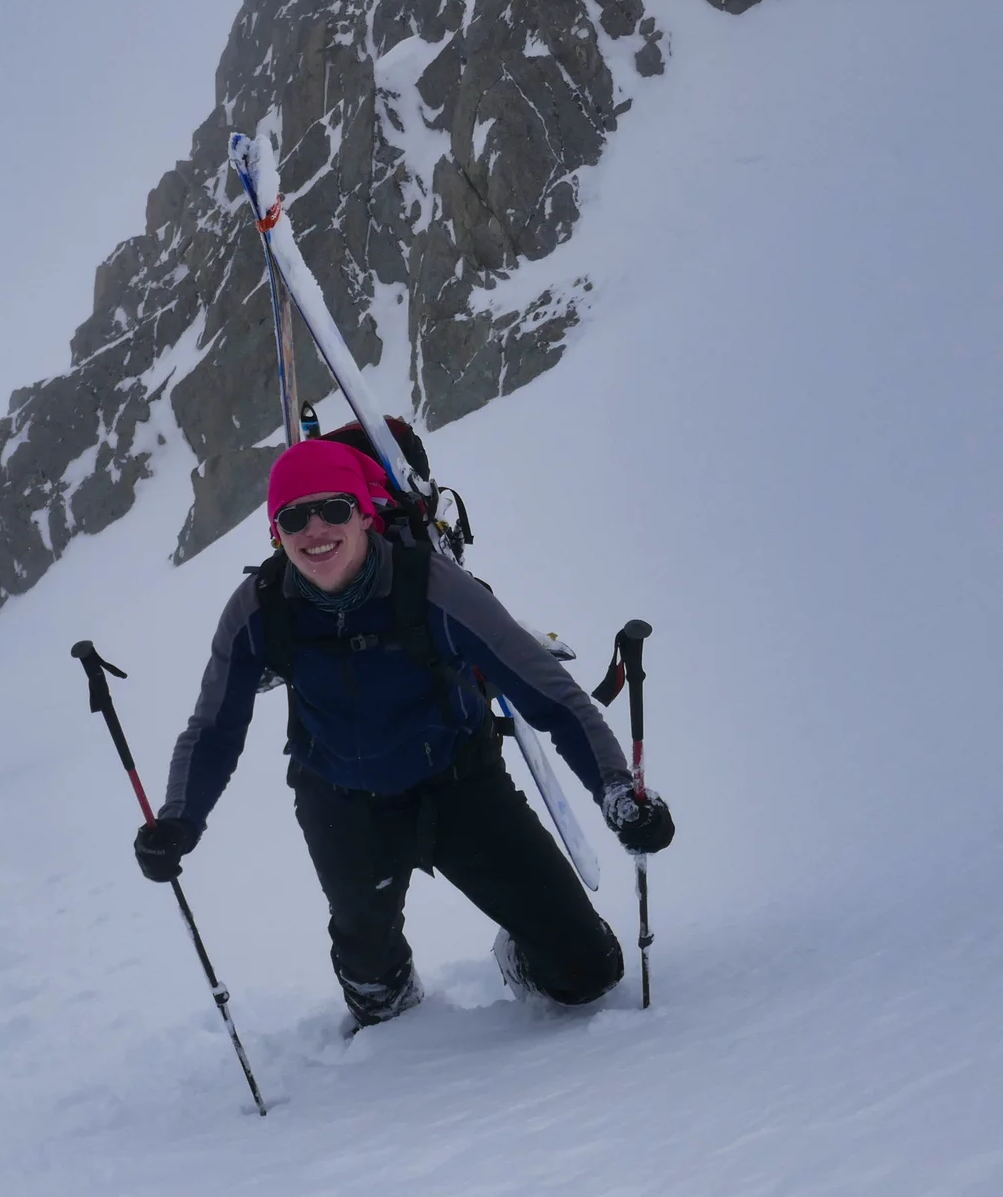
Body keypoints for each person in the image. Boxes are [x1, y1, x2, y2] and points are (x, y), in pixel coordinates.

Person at [134, 437, 674, 1029]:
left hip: (460, 785)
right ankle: (393, 1019)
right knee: (376, 996)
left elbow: (551, 696)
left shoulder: (435, 588)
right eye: (293, 516)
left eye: (334, 508)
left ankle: (521, 955)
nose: (315, 529)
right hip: (342, 802)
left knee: (588, 972)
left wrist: (617, 790)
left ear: (366, 514)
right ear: (276, 533)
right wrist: (180, 819)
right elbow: (213, 729)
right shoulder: (258, 609)